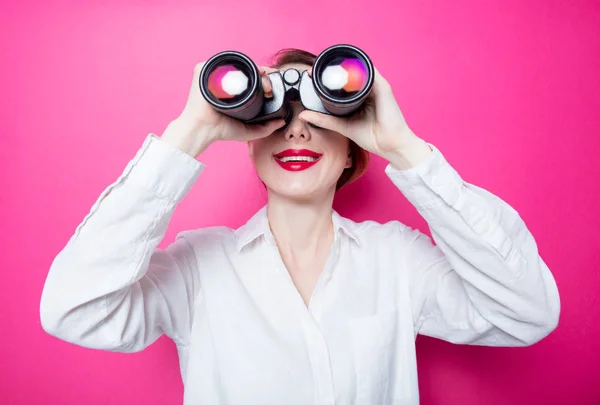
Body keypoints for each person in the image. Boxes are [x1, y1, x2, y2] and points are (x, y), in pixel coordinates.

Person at [39, 48, 560, 405]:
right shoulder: (198, 267)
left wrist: (405, 147)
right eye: (277, 114)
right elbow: (73, 312)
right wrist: (189, 132)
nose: (298, 129)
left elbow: (528, 313)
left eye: (319, 114)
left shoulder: (397, 261)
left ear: (353, 145)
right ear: (249, 136)